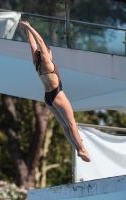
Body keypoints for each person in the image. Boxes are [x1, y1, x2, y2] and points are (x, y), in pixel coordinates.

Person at [19, 21, 91, 162]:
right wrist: (29, 27)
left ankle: (77, 150)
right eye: (49, 53)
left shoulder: (37, 64)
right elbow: (39, 42)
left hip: (48, 99)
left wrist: (27, 29)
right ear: (47, 53)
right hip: (58, 95)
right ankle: (82, 149)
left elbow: (33, 45)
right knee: (71, 124)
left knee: (65, 127)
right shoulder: (46, 62)